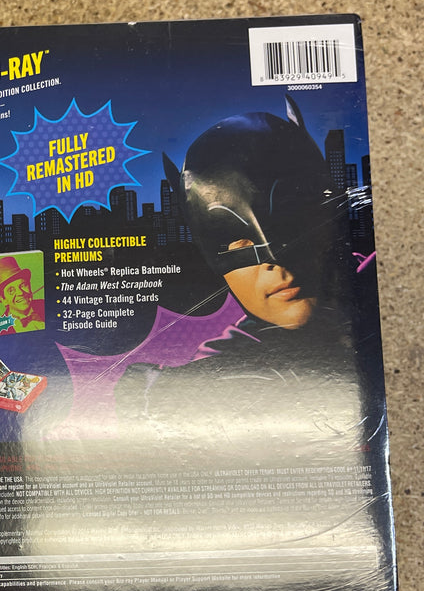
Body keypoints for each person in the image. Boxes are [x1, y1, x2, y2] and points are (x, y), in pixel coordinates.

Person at [115, 96, 363, 446]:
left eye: (292, 222)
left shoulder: (377, 292)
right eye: (238, 241)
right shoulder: (231, 361)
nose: (275, 258)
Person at [0, 256, 45, 332]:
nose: (20, 293)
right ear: (4, 300)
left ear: (30, 286)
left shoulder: (47, 305)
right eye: (11, 290)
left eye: (23, 285)